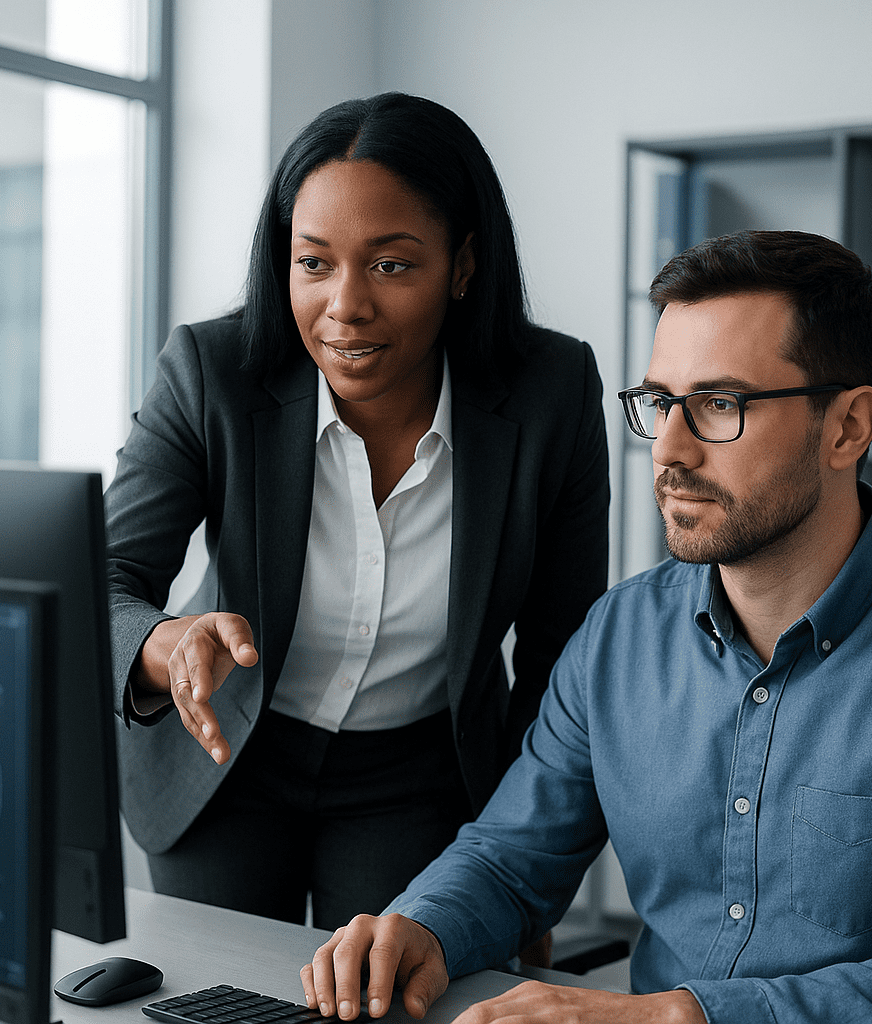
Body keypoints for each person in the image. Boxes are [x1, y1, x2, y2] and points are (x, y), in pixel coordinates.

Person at [302, 230, 872, 1024]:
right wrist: (422, 928)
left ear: (848, 427)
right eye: (660, 404)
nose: (669, 451)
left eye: (721, 404)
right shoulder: (621, 636)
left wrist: (680, 1016)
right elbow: (514, 856)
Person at [104, 92, 609, 932]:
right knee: (214, 998)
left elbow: (560, 655)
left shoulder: (551, 394)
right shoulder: (212, 370)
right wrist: (162, 644)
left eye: (391, 264)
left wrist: (519, 880)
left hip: (417, 772)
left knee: (384, 997)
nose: (345, 306)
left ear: (464, 264)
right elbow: (108, 577)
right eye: (314, 263)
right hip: (226, 751)